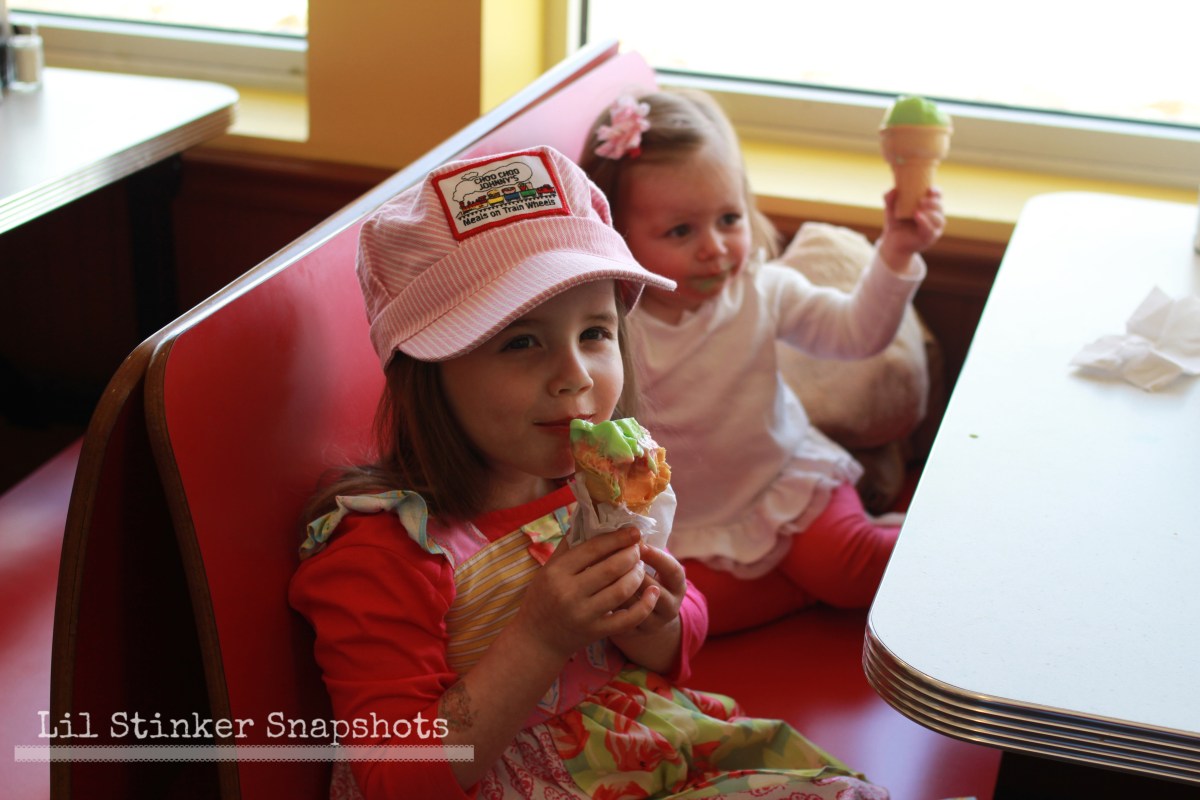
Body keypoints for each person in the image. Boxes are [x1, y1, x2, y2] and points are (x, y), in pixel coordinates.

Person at [288, 146, 890, 799]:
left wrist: (656, 616)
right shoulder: (385, 552)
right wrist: (541, 638)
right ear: (426, 374)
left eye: (596, 333)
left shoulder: (594, 485)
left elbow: (679, 642)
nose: (575, 375)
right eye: (522, 342)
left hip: (648, 748)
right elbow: (392, 779)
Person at [580, 91, 945, 634]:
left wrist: (896, 252)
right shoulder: (613, 331)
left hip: (785, 486)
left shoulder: (762, 290)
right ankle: (808, 584)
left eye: (729, 218)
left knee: (856, 568)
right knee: (670, 616)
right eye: (681, 231)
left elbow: (857, 334)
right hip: (692, 525)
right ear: (617, 236)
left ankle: (949, 537)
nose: (715, 247)